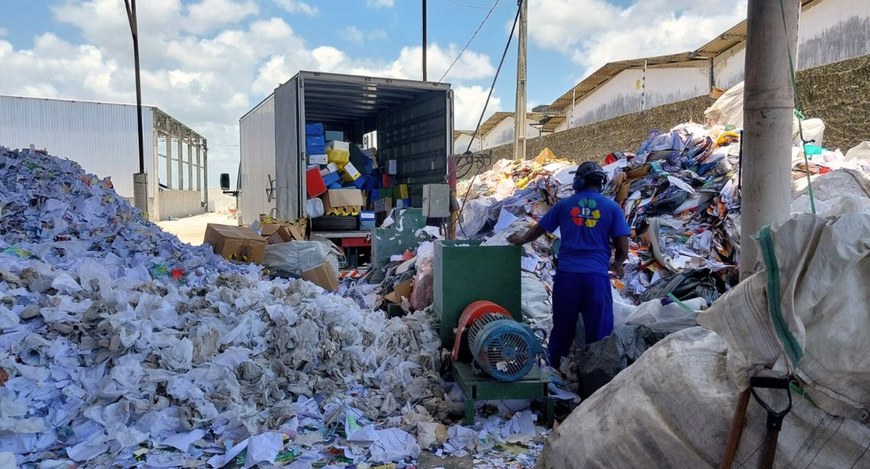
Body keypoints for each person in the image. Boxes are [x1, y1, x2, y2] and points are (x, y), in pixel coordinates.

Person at [508, 161, 630, 370]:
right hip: (596, 279)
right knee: (599, 334)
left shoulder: (564, 205)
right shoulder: (611, 208)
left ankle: (554, 375)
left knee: (562, 330)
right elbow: (623, 246)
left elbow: (537, 230)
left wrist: (520, 240)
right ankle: (594, 381)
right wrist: (617, 263)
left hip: (567, 279)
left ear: (578, 181)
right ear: (601, 183)